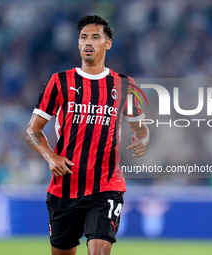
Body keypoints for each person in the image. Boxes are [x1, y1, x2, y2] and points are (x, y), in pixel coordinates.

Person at [26, 15, 149, 255]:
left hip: (106, 186)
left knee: (99, 251)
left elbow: (140, 127)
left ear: (108, 43)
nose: (88, 42)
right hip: (65, 187)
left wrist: (142, 139)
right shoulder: (59, 82)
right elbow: (33, 130)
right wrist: (51, 157)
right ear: (78, 43)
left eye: (95, 36)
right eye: (83, 37)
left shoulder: (125, 85)